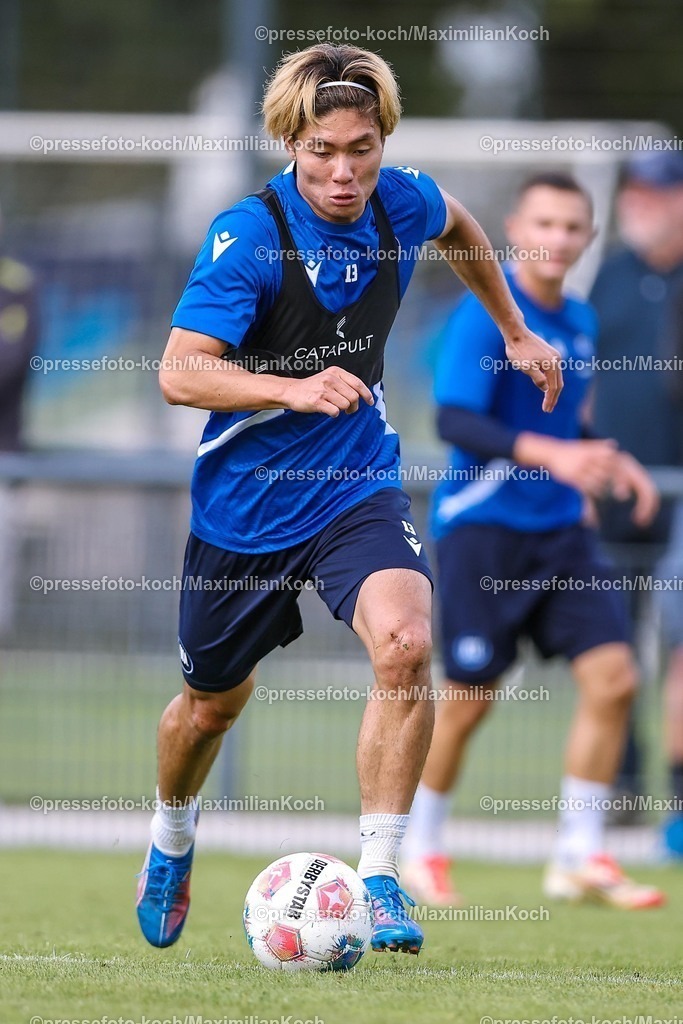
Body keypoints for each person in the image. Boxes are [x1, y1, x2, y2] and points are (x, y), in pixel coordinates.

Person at [134, 43, 562, 956]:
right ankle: (170, 840)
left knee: (407, 644)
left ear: (382, 139)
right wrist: (289, 388)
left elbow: (458, 225)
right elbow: (178, 373)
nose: (342, 170)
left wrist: (515, 328)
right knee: (207, 708)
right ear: (291, 141)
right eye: (322, 149)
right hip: (245, 508)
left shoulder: (397, 199)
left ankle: (379, 875)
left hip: (353, 484)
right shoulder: (251, 236)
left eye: (360, 147)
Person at [402, 172, 665, 910]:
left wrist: (609, 462)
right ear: (515, 230)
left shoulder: (578, 319)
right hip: (484, 533)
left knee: (614, 678)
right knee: (469, 699)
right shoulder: (483, 316)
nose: (557, 239)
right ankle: (420, 849)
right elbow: (456, 422)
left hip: (560, 535)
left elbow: (565, 427)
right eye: (543, 223)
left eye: (572, 227)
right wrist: (556, 457)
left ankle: (578, 857)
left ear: (586, 238)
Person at [591, 152, 683, 843]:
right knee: (609, 642)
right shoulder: (610, 273)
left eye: (660, 192)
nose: (643, 202)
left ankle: (677, 802)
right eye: (638, 190)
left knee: (679, 643)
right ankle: (616, 788)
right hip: (614, 491)